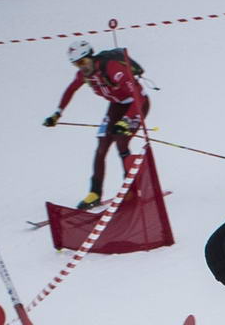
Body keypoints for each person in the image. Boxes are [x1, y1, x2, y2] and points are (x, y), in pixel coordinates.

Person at [43, 38, 151, 209]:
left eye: (83, 61)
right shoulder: (84, 75)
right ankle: (94, 193)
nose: (82, 67)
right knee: (101, 146)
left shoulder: (111, 68)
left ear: (90, 57)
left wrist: (126, 120)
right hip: (116, 106)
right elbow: (71, 90)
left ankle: (130, 189)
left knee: (121, 142)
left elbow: (138, 94)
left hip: (136, 104)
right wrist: (57, 113)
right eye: (77, 64)